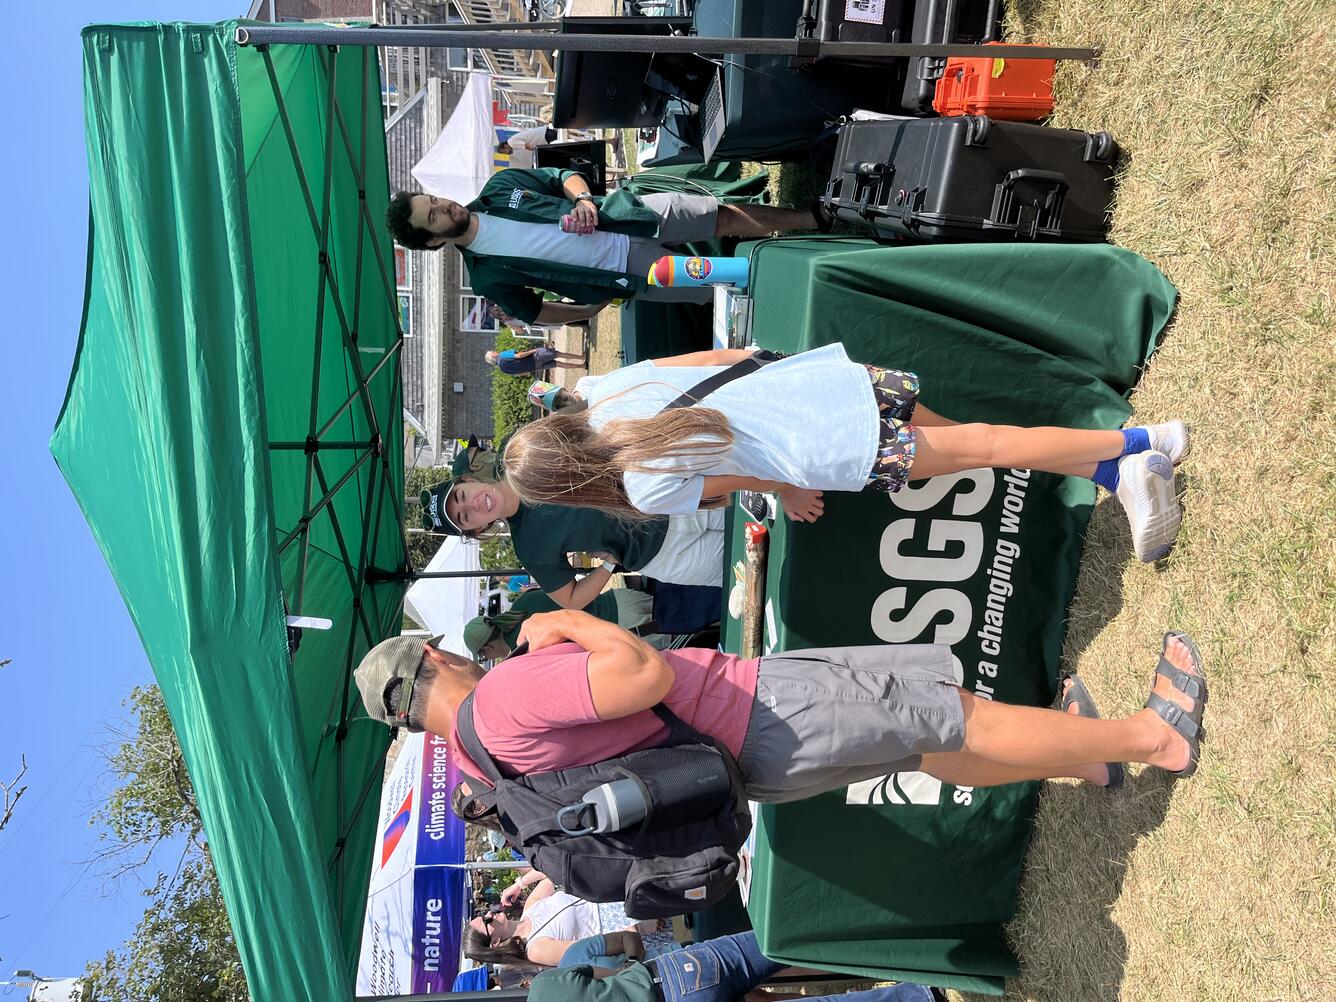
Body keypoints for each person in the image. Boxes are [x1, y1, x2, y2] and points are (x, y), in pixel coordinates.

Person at [354, 611, 1208, 820]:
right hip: (754, 715)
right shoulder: (501, 698)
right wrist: (564, 624)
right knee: (954, 719)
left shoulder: (478, 768)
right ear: (432, 659)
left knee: (925, 746)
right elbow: (643, 676)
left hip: (746, 766)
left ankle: (1086, 759)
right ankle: (1152, 735)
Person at [500, 345, 1190, 562]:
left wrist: (785, 492)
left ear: (569, 491)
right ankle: (1111, 468)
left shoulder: (643, 492)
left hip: (834, 448)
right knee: (984, 444)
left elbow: (739, 473)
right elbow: (730, 356)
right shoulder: (614, 385)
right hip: (823, 382)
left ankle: (1138, 447)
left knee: (987, 448)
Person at [383, 167, 820, 326]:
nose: (444, 206)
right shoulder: (485, 276)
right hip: (630, 271)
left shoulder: (499, 188)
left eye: (435, 199)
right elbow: (534, 311)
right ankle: (811, 288)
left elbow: (560, 175)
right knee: (723, 288)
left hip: (628, 213)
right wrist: (590, 310)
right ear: (435, 239)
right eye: (434, 215)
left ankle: (815, 220)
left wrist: (584, 198)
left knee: (720, 216)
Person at [419, 476, 725, 608]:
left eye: (461, 496)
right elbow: (571, 599)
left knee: (753, 505)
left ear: (468, 482)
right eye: (463, 518)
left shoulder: (526, 459)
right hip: (665, 556)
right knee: (744, 564)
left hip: (674, 496)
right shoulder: (528, 548)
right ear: (475, 530)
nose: (471, 506)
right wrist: (608, 564)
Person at [526, 930, 939, 1002]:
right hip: (670, 978)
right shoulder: (545, 985)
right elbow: (613, 967)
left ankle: (920, 996)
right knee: (779, 943)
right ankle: (901, 936)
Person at [463, 866, 668, 968]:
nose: (490, 913)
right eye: (486, 921)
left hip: (623, 893)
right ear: (495, 943)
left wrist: (519, 884)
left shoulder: (531, 907)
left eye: (484, 914)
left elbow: (551, 869)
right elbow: (592, 950)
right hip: (632, 929)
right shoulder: (536, 949)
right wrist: (636, 930)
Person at [464, 585, 664, 662]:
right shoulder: (524, 601)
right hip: (622, 599)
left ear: (488, 648)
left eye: (483, 656)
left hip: (627, 631)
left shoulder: (524, 647)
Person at [486, 344, 585, 376]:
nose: (495, 351)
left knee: (558, 364)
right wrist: (533, 351)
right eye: (493, 352)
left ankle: (581, 366)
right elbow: (519, 356)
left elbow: (520, 374)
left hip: (535, 367)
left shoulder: (503, 370)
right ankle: (581, 357)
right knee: (558, 354)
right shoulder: (502, 355)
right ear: (493, 356)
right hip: (534, 357)